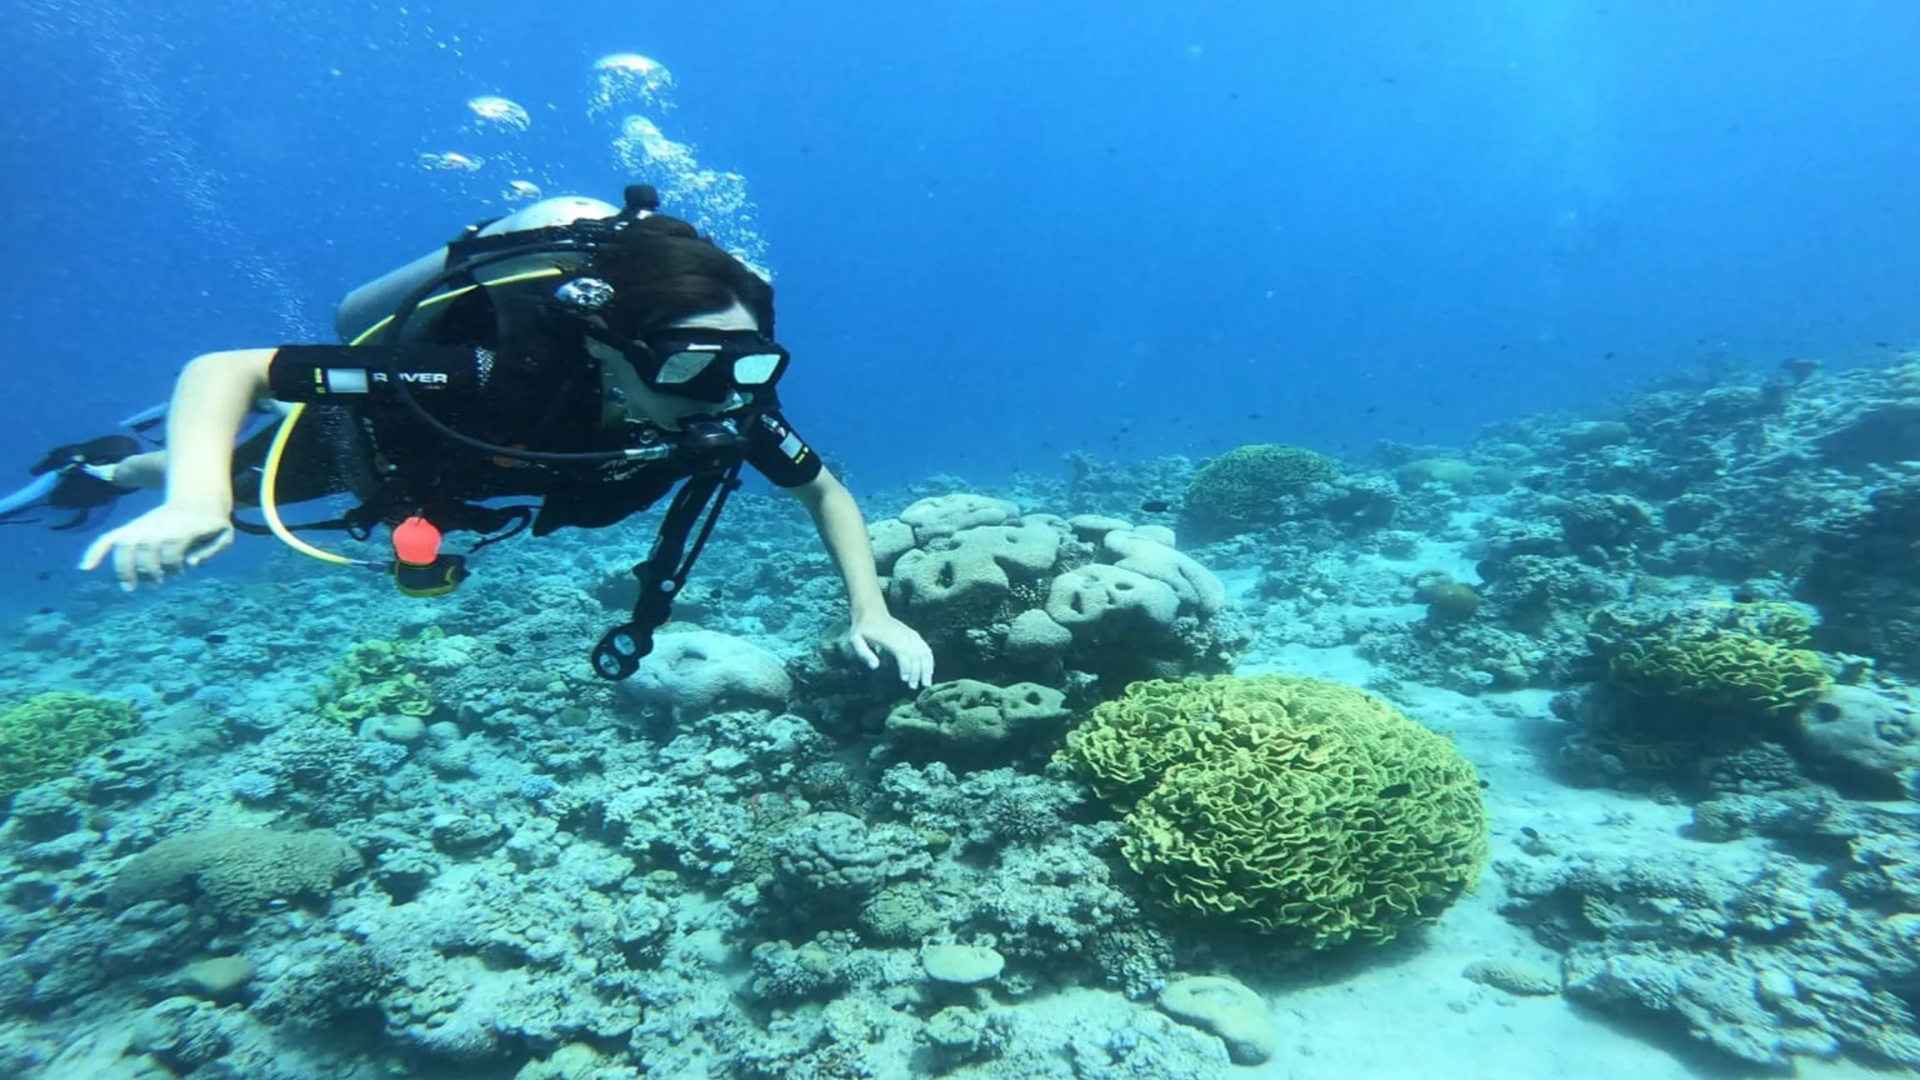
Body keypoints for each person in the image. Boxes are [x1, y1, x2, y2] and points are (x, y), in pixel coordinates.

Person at [47, 186, 934, 688]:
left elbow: (825, 490)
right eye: (688, 366)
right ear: (607, 346)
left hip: (495, 467)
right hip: (389, 441)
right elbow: (222, 370)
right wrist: (187, 501)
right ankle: (110, 469)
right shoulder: (483, 370)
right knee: (237, 488)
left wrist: (871, 609)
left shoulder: (725, 400)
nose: (722, 397)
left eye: (750, 366)